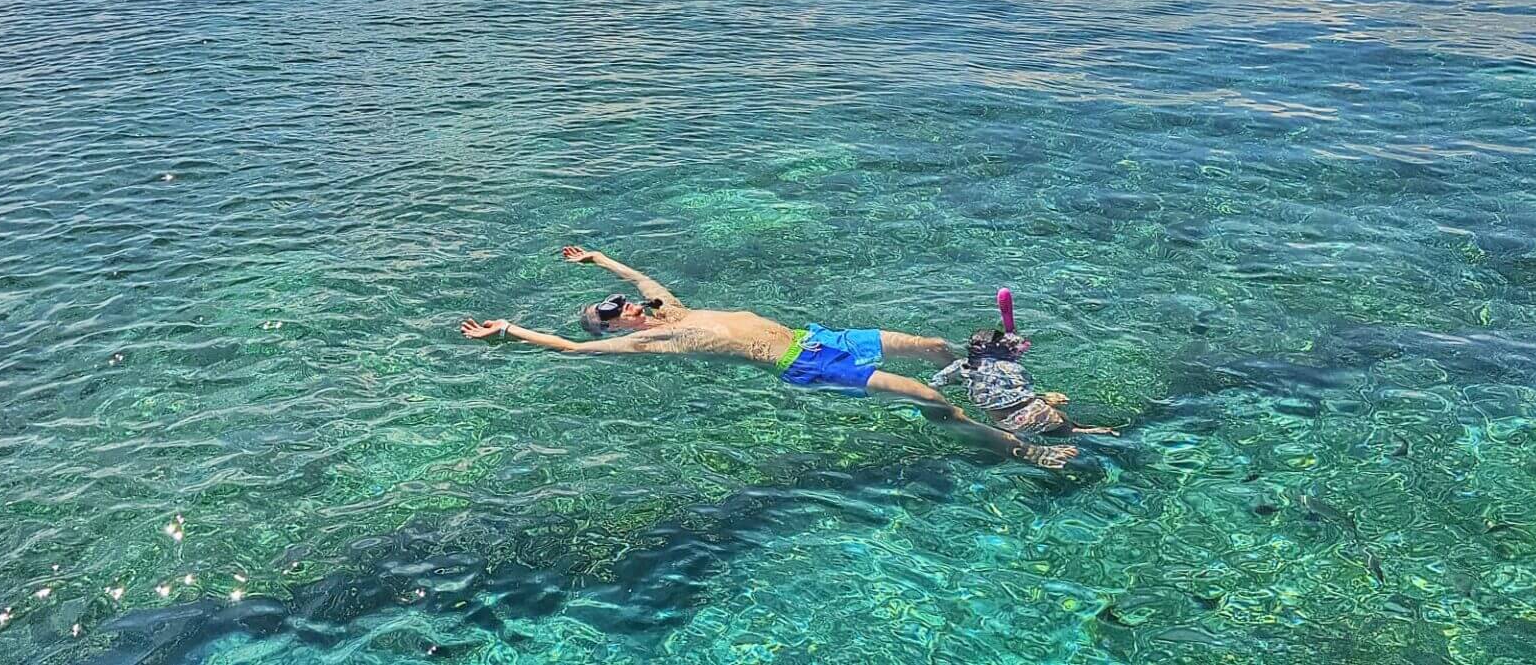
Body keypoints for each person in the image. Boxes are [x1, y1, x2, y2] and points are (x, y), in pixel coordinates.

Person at [459, 246, 1078, 468]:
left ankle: (1005, 400)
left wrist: (598, 260)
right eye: (609, 311)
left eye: (615, 301)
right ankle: (1021, 449)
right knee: (929, 400)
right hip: (805, 366)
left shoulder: (669, 308)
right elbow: (568, 349)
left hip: (820, 336)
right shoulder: (649, 338)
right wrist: (509, 331)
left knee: (938, 349)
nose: (621, 305)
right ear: (615, 329)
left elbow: (641, 274)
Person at [929, 289, 1117, 438]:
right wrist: (1042, 397)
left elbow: (937, 382)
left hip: (1005, 421)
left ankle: (1080, 432)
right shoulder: (1009, 367)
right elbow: (1022, 387)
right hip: (1036, 411)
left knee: (1054, 431)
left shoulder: (962, 366)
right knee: (1067, 425)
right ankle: (1085, 430)